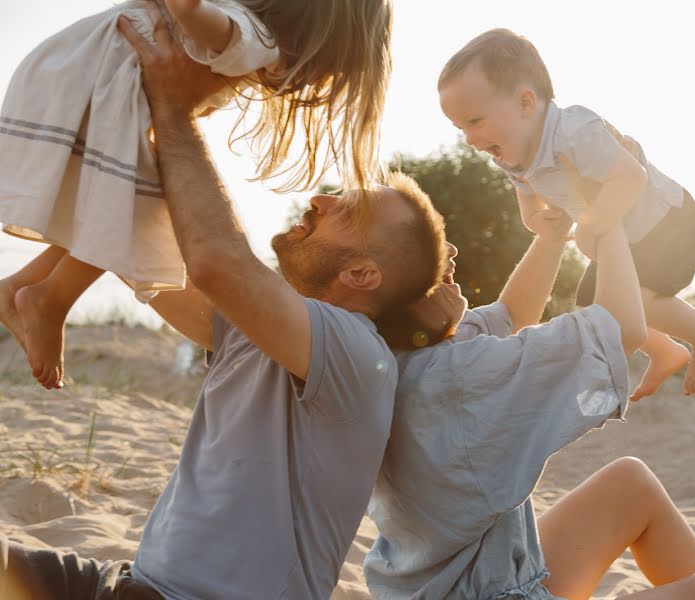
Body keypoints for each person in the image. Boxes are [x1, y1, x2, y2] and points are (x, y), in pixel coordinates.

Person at [0, 14, 447, 600]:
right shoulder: (255, 333)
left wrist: (177, 108)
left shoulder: (357, 356)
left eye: (344, 209)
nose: (318, 198)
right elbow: (145, 231)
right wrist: (146, 101)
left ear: (362, 274)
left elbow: (215, 259)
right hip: (130, 584)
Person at [365, 162, 695, 599]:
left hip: (470, 577)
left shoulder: (406, 350)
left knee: (630, 484)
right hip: (487, 593)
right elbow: (620, 327)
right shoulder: (452, 376)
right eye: (429, 246)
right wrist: (607, 221)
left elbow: (513, 315)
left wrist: (551, 236)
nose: (450, 250)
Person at [0, 0, 393, 390]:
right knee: (135, 213)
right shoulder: (256, 37)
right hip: (99, 86)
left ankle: (20, 286)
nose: (312, 81)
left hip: (65, 71)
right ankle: (50, 300)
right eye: (326, 67)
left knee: (104, 209)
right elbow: (193, 12)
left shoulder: (237, 20)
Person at [437, 28, 695, 401]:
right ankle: (665, 351)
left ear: (526, 104)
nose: (469, 138)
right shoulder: (511, 154)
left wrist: (593, 225)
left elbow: (630, 177)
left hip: (665, 222)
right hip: (626, 236)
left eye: (475, 121)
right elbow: (529, 200)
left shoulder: (575, 132)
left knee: (638, 300)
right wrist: (537, 220)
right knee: (602, 307)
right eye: (460, 127)